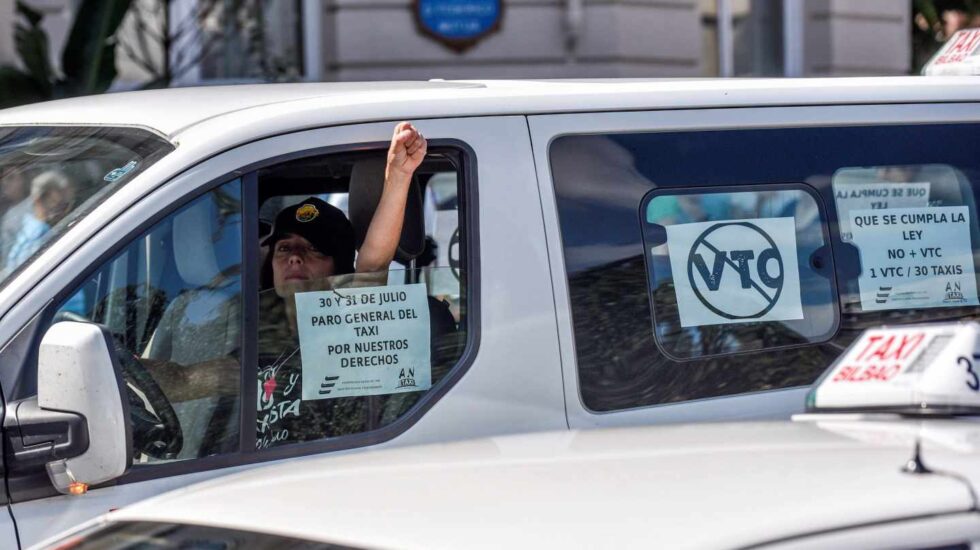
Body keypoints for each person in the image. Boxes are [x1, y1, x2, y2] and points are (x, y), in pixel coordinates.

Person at [256, 122, 427, 449]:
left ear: (340, 267)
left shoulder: (350, 325)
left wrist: (398, 175)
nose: (294, 259)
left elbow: (373, 266)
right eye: (284, 248)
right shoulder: (253, 328)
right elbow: (200, 379)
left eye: (313, 249)